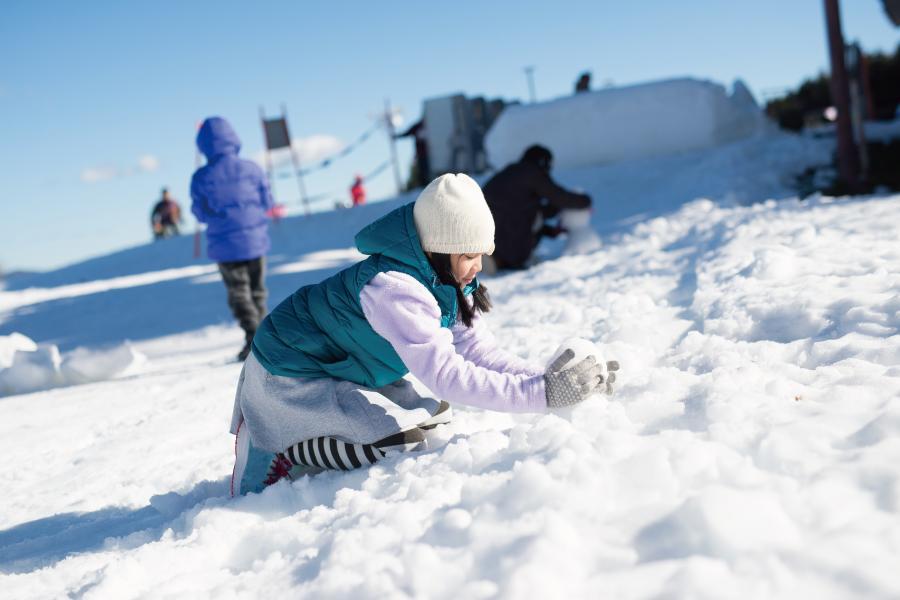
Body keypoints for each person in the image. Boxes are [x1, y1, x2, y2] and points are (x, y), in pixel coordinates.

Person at [229, 173, 619, 495]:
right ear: (439, 248)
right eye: (470, 255)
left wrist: (546, 380)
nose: (478, 266)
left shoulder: (445, 278)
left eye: (482, 254)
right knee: (389, 441)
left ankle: (314, 429)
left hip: (343, 366)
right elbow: (447, 375)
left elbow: (478, 352)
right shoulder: (395, 290)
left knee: (431, 420)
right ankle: (281, 444)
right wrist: (542, 395)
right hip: (289, 374)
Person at [191, 116, 274, 361]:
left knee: (239, 294)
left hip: (225, 247)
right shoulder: (252, 168)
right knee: (258, 291)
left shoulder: (201, 177)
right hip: (256, 242)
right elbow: (267, 201)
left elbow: (200, 213)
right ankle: (265, 340)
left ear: (203, 144)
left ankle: (253, 339)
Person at [481, 145, 592, 271]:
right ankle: (511, 259)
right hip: (510, 240)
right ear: (543, 162)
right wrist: (586, 201)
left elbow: (519, 212)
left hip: (488, 236)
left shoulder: (510, 173)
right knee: (535, 217)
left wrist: (550, 231)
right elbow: (560, 198)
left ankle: (496, 259)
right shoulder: (532, 173)